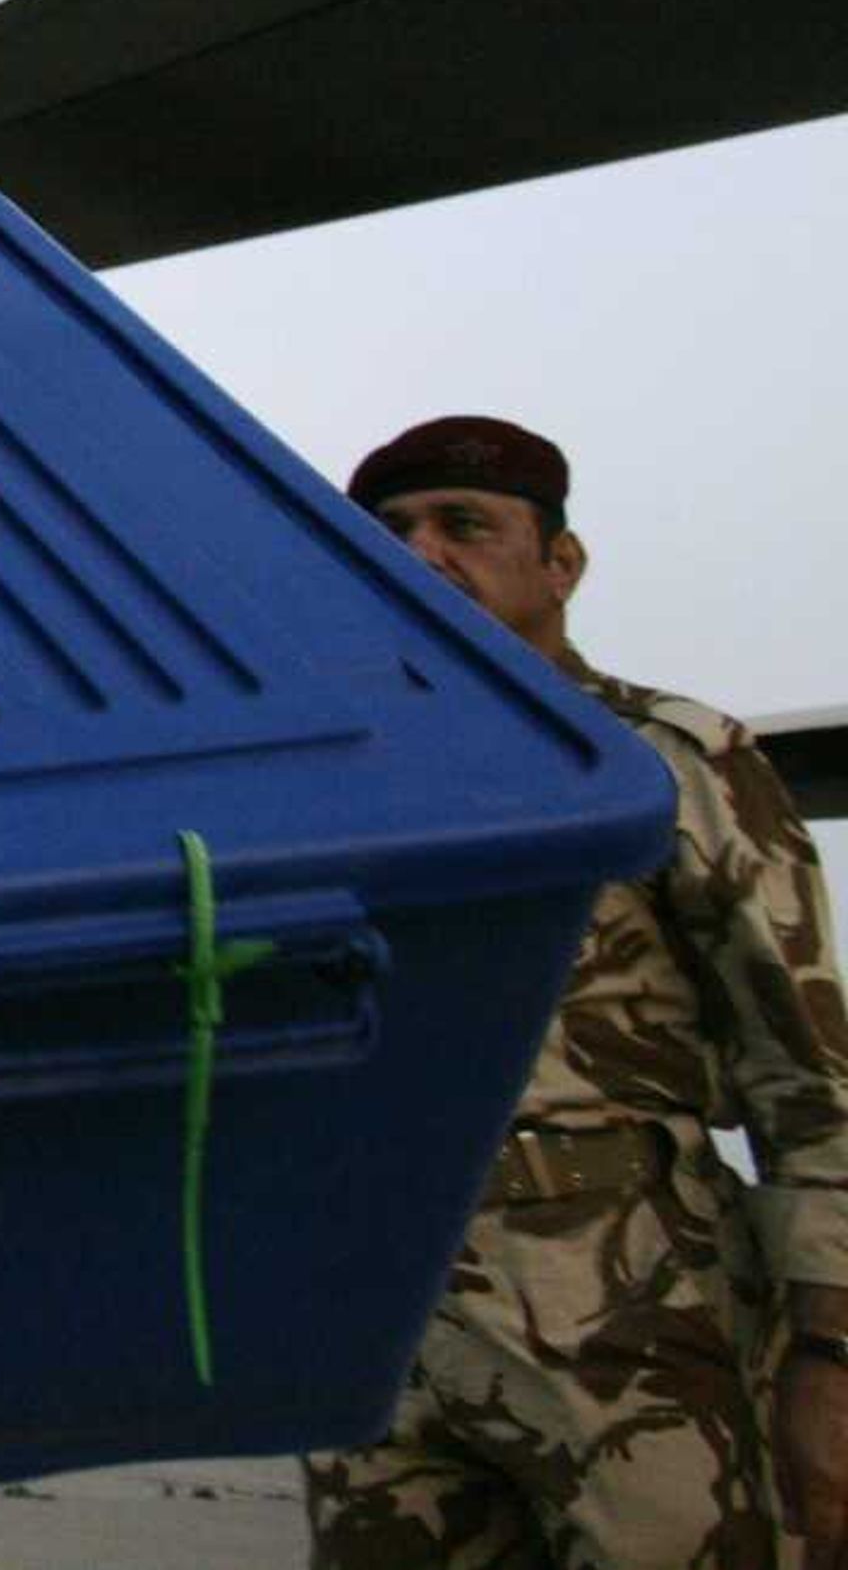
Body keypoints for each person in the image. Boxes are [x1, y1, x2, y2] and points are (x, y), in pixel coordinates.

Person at [306, 414, 848, 1570]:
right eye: (391, 530)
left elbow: (808, 1072)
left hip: (627, 1297)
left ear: (562, 562)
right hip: (381, 1307)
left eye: (466, 525)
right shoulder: (325, 785)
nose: (424, 551)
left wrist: (831, 1350)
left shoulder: (658, 758)